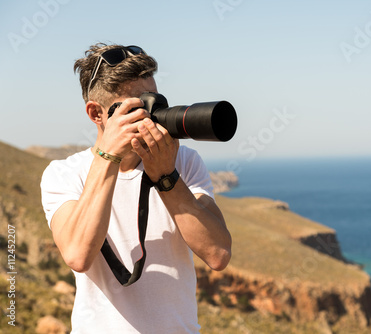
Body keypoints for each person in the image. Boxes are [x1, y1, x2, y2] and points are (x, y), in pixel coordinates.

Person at [40, 43, 232, 333]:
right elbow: (78, 255)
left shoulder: (184, 162)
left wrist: (166, 176)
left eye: (154, 102)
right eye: (136, 107)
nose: (150, 116)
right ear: (96, 114)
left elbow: (218, 253)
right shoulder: (64, 175)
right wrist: (108, 158)